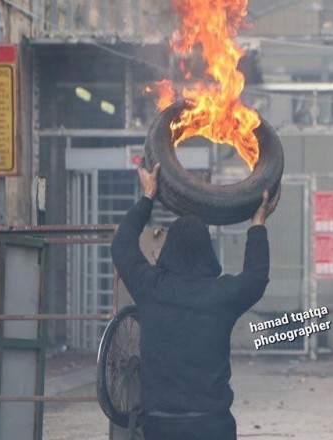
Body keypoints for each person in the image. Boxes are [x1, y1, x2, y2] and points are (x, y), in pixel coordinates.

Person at [110, 162, 280, 439]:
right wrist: (257, 223)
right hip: (212, 425)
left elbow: (121, 245)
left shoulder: (151, 287)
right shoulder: (222, 295)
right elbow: (256, 276)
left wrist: (148, 196)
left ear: (169, 250)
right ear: (207, 253)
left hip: (161, 426)